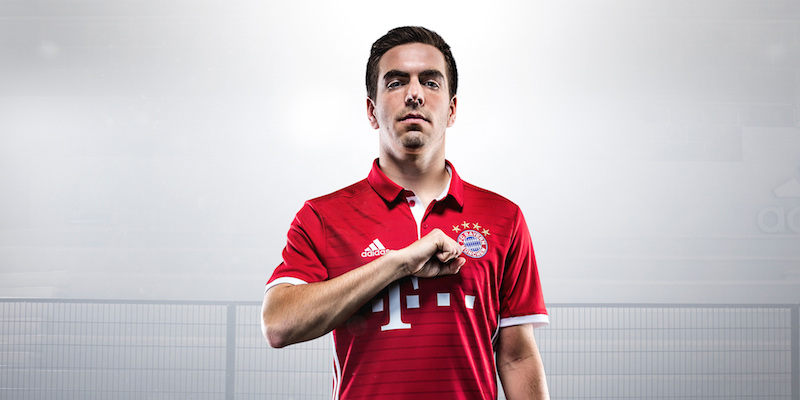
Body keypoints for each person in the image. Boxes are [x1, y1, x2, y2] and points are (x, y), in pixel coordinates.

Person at [261, 26, 550, 400]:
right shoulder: (322, 216)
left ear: (451, 109)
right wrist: (398, 263)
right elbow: (278, 325)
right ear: (372, 111)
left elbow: (516, 356)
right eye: (396, 82)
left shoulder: (504, 217)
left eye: (430, 82)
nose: (414, 94)